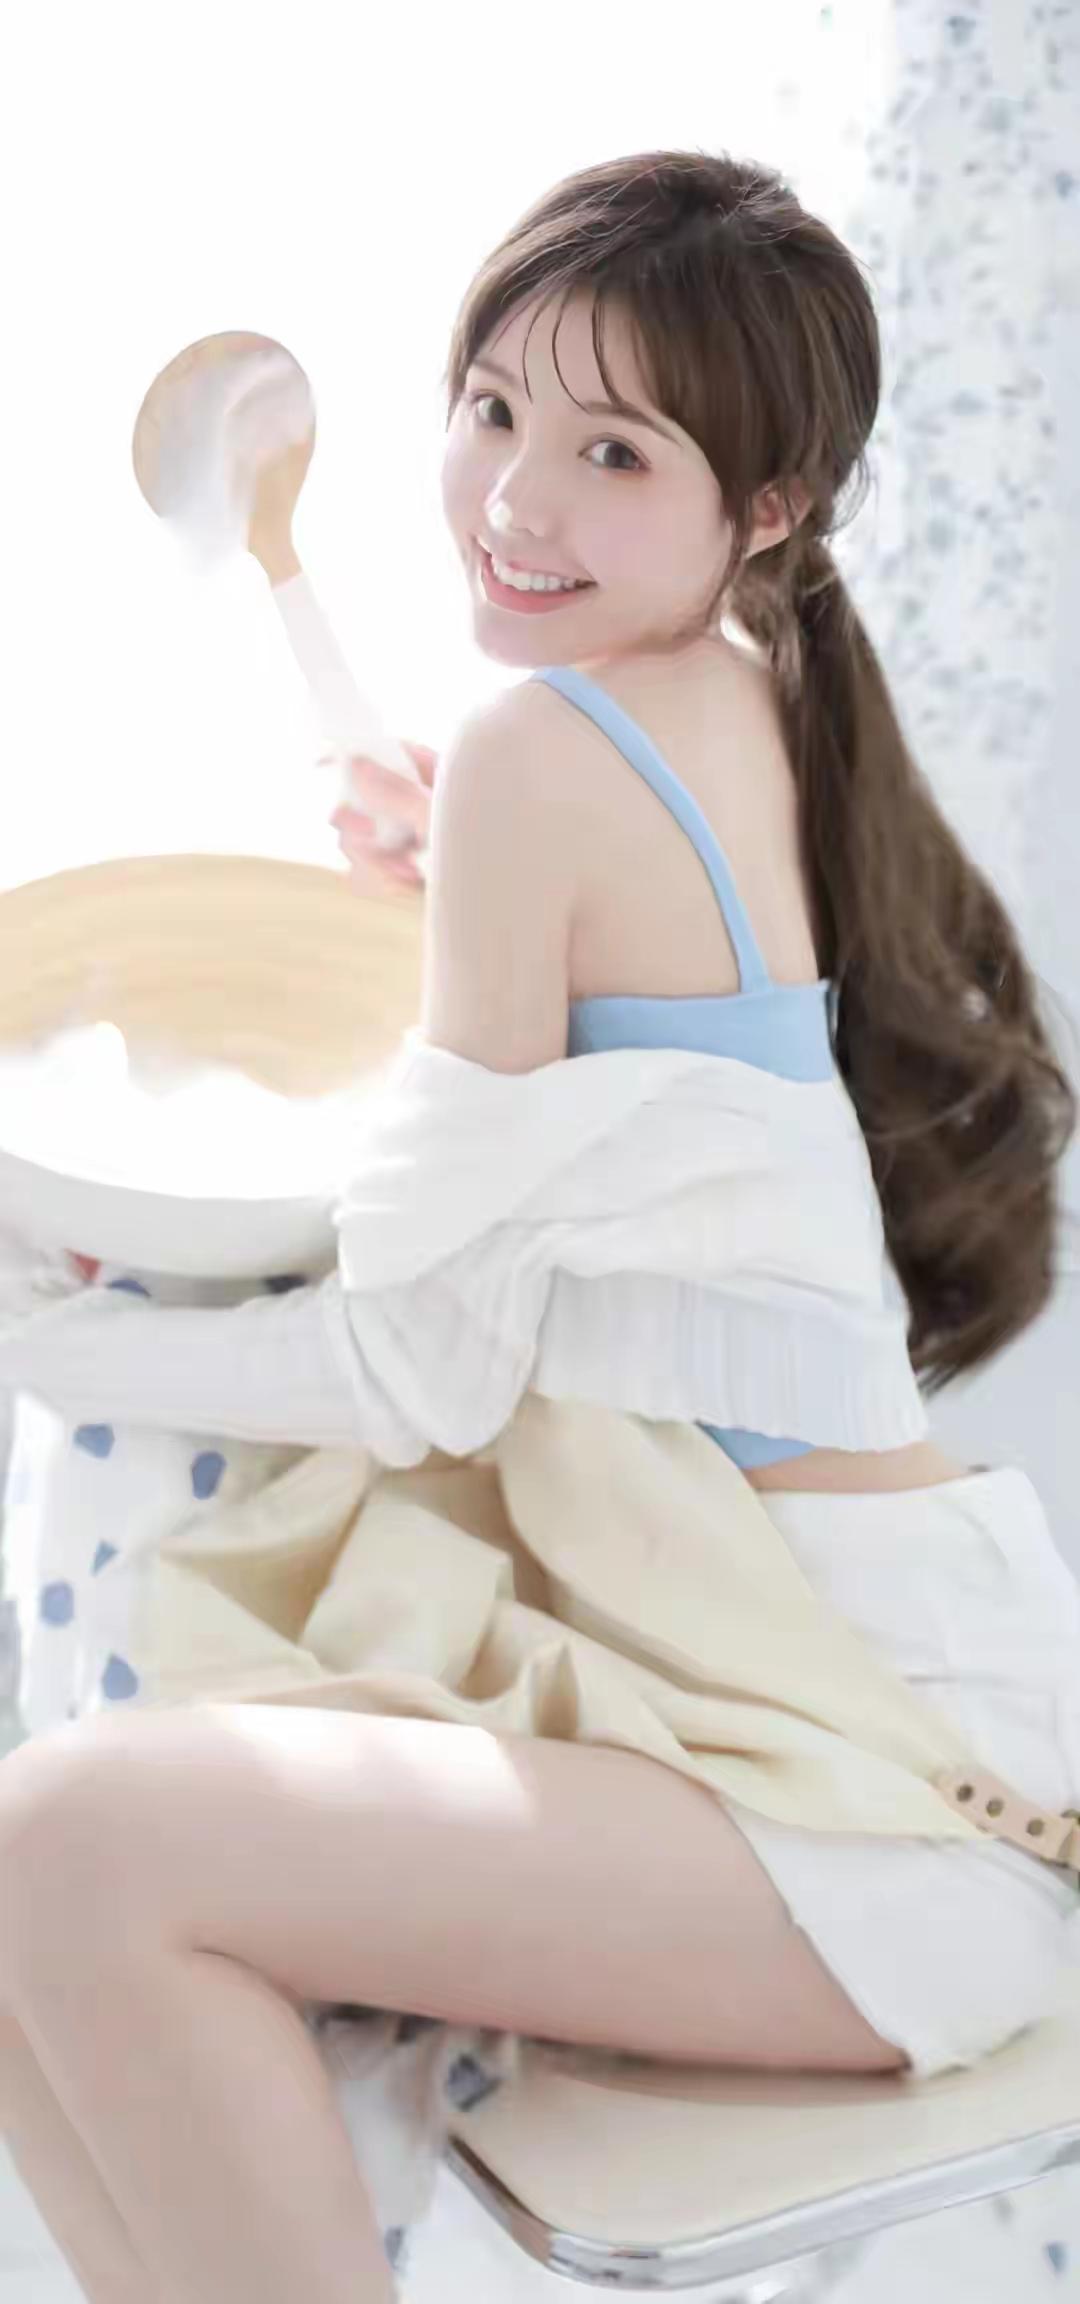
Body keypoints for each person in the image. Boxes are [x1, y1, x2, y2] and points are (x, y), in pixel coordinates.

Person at [1, 148, 1079, 2304]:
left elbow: (408, 1366)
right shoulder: (745, 687)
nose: (513, 498)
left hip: (883, 1808)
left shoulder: (547, 751)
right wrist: (467, 873)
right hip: (911, 1698)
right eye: (492, 409)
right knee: (47, 1893)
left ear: (765, 506)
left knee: (72, 1850)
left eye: (612, 452)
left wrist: (36, 1327)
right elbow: (635, 1030)